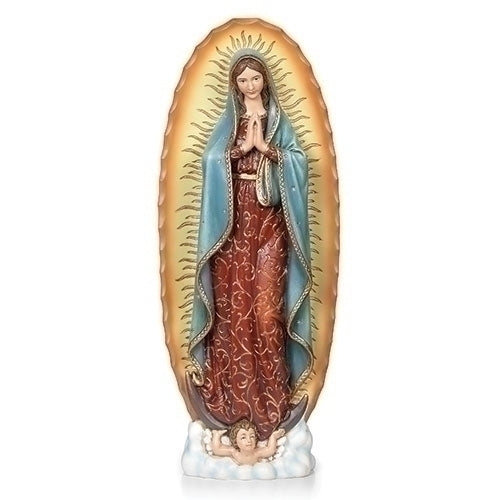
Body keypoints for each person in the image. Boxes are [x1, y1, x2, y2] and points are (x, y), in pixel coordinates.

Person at [189, 48, 313, 440]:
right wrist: (240, 151)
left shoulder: (277, 121)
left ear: (265, 79)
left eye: (255, 78)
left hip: (270, 222)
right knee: (233, 308)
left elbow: (300, 162)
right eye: (242, 80)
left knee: (266, 310)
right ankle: (231, 404)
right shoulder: (231, 122)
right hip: (233, 225)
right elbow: (210, 161)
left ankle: (274, 399)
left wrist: (268, 151)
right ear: (235, 84)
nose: (249, 85)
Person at [211, 420, 285, 466]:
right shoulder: (234, 452)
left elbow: (270, 450)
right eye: (243, 437)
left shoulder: (257, 453)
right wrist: (216, 435)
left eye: (252, 436)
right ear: (235, 440)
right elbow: (217, 450)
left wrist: (273, 437)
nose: (249, 440)